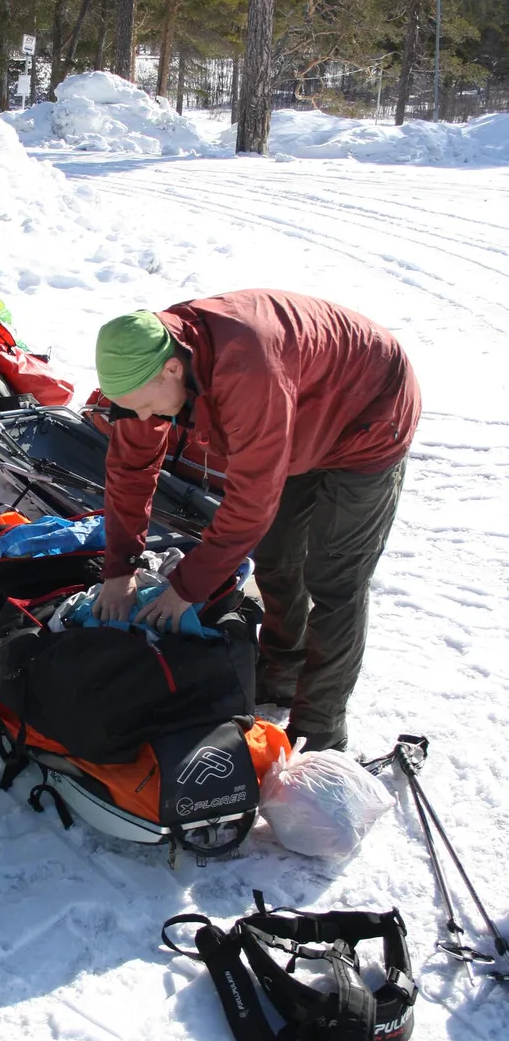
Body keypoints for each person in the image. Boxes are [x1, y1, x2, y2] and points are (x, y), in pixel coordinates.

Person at [92, 290, 421, 752]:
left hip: (368, 413)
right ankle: (280, 673)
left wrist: (187, 588)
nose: (142, 417)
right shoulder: (142, 375)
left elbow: (249, 505)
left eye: (144, 405)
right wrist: (120, 567)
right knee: (277, 557)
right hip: (299, 412)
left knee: (334, 579)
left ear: (171, 369)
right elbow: (130, 470)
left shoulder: (246, 370)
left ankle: (321, 726)